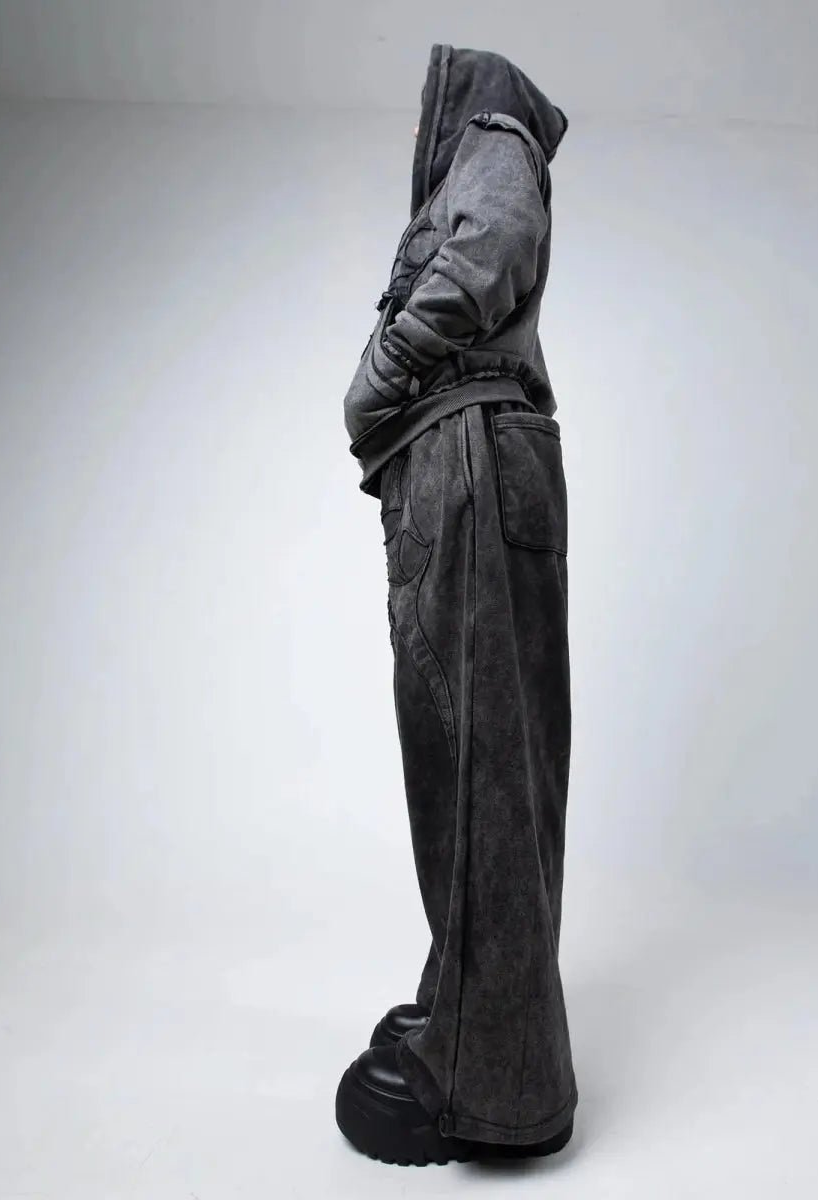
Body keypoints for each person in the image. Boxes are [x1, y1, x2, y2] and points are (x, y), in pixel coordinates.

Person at [334, 41, 574, 1166]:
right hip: (477, 453)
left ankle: (494, 1088)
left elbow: (494, 240)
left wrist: (380, 373)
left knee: (476, 764)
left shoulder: (493, 138)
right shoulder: (494, 148)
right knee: (478, 762)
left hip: (468, 452)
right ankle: (474, 1015)